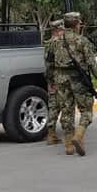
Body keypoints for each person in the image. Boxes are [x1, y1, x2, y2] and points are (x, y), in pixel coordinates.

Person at [53, 11, 97, 156]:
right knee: (86, 111)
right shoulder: (82, 41)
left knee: (67, 111)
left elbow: (49, 62)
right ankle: (78, 135)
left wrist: (51, 80)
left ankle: (69, 145)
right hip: (79, 80)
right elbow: (91, 63)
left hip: (61, 79)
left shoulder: (55, 41)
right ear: (76, 24)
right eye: (79, 22)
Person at [43, 18, 65, 146]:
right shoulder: (55, 44)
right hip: (57, 79)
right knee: (61, 105)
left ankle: (51, 134)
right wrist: (52, 82)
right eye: (62, 30)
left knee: (54, 107)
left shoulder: (49, 43)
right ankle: (54, 133)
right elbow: (49, 65)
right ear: (58, 30)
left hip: (54, 79)